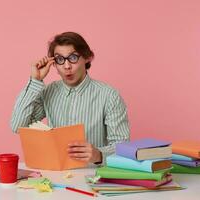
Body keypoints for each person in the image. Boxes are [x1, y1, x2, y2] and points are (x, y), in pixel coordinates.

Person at [10, 32, 130, 165]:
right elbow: (18, 126)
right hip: (55, 175)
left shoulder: (109, 96)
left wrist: (99, 155)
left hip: (93, 177)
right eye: (60, 59)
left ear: (87, 57)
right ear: (53, 63)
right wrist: (35, 80)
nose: (67, 66)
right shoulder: (48, 92)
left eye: (73, 57)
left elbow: (122, 146)